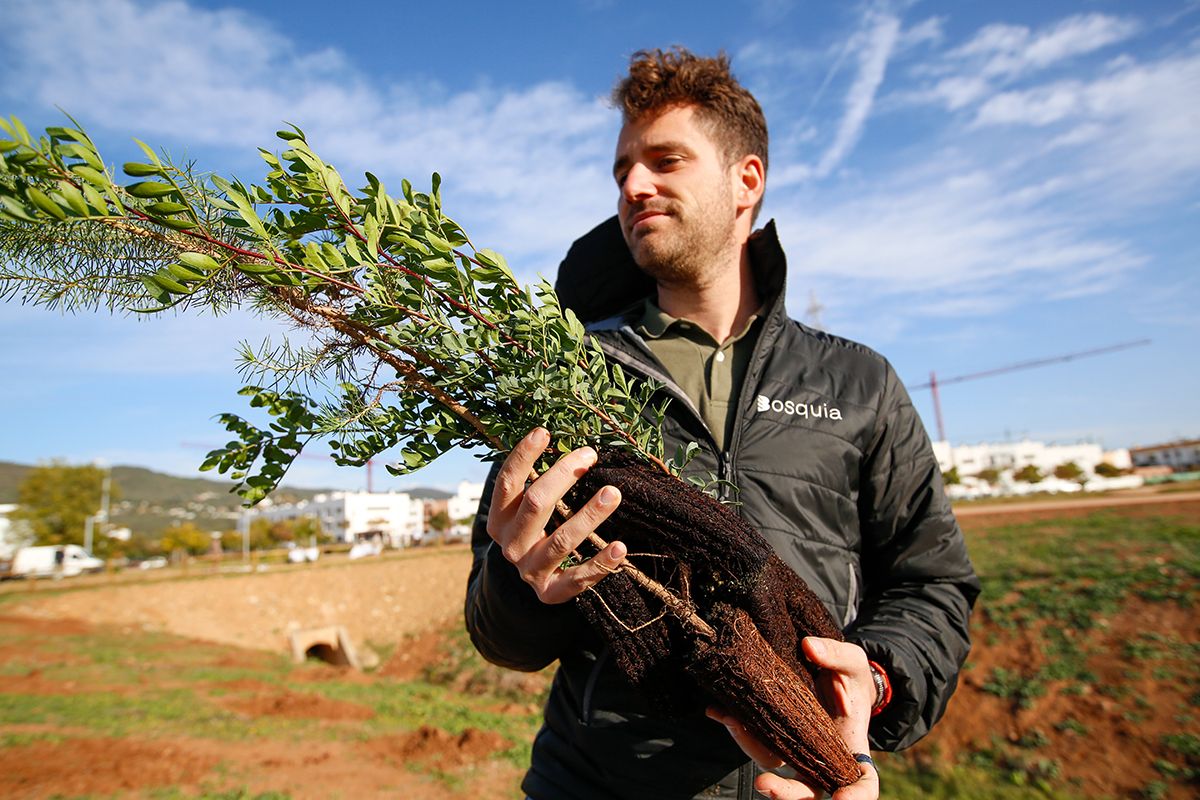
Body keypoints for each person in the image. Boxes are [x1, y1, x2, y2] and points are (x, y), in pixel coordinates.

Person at [465, 47, 979, 800]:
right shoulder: (566, 379)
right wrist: (519, 585)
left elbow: (932, 582)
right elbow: (494, 630)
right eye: (622, 171)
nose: (634, 185)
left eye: (665, 160)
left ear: (747, 182)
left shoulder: (859, 382)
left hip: (806, 785)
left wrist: (872, 680)